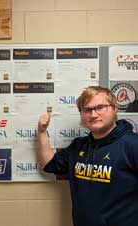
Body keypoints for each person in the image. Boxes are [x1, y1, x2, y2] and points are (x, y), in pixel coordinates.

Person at [38, 86, 138, 226]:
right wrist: (42, 133)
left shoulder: (132, 144)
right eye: (87, 109)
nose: (93, 114)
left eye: (100, 107)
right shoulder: (79, 146)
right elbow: (50, 164)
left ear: (114, 109)